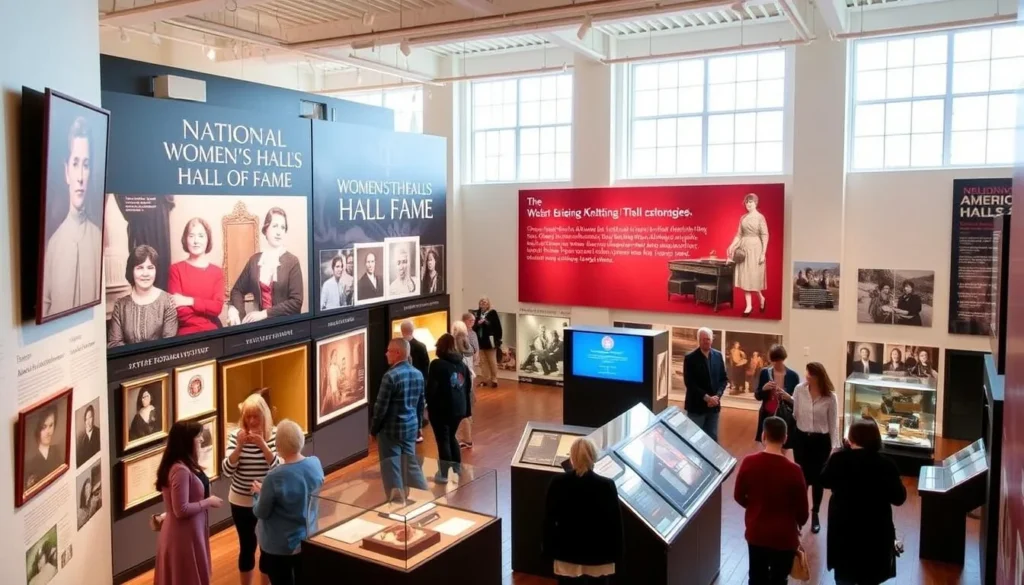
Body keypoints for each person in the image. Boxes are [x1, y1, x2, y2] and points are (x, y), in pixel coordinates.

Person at [821, 417, 907, 585]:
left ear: (851, 438)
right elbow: (899, 498)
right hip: (875, 532)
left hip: (843, 530)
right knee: (871, 576)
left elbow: (824, 480)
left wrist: (836, 453)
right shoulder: (886, 464)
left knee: (844, 577)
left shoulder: (839, 460)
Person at [734, 416, 808, 585]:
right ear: (785, 438)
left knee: (756, 576)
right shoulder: (795, 471)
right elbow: (803, 512)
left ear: (763, 436)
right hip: (784, 536)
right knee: (779, 579)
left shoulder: (749, 462)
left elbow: (738, 495)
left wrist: (754, 507)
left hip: (757, 531)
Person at [41, 116, 102, 319]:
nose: (80, 177)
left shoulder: (97, 238)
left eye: (86, 165)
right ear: (66, 171)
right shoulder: (53, 244)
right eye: (75, 164)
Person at [252, 420, 324, 585]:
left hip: (278, 546)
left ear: (279, 445)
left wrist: (258, 494)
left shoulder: (274, 477)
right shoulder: (315, 463)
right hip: (308, 538)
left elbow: (261, 512)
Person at [543, 438, 623, 585]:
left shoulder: (557, 483)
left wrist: (548, 551)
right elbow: (615, 525)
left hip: (566, 553)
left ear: (572, 457)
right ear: (593, 457)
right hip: (599, 555)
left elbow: (548, 521)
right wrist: (617, 555)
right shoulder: (606, 486)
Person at [154, 420, 223, 585]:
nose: (200, 440)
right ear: (186, 441)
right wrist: (208, 502)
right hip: (183, 537)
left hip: (190, 533)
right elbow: (181, 510)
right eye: (197, 436)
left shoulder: (183, 465)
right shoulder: (180, 471)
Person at [222, 394, 278, 585]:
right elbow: (227, 470)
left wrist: (263, 445)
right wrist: (238, 447)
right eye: (248, 417)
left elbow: (280, 470)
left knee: (266, 547)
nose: (252, 421)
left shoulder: (275, 435)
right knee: (247, 546)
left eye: (256, 416)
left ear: (265, 416)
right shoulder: (235, 436)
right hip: (240, 502)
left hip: (267, 501)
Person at [371, 338, 427, 499]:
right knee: (411, 465)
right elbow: (420, 404)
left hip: (391, 431)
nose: (386, 353)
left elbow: (380, 408)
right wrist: (418, 428)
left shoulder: (390, 376)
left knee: (391, 468)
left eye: (388, 350)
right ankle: (424, 499)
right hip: (410, 428)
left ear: (397, 353)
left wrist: (374, 430)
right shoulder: (418, 374)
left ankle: (396, 504)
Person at [227, 208, 304, 326]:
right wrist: (240, 314)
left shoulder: (292, 262)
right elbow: (237, 290)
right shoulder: (255, 261)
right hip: (260, 327)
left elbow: (296, 302)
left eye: (282, 227)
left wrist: (264, 314)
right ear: (266, 229)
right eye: (275, 226)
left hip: (286, 327)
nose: (279, 232)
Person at [792, 362, 841, 534]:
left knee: (818, 479)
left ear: (819, 376)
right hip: (802, 439)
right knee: (802, 478)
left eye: (810, 374)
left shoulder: (830, 397)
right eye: (807, 373)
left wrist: (835, 446)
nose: (807, 377)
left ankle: (815, 513)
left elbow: (833, 423)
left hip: (821, 441)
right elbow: (795, 414)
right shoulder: (799, 390)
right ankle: (800, 515)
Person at [108, 245, 179, 347]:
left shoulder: (167, 302)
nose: (145, 273)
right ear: (131, 271)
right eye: (140, 268)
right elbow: (114, 344)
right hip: (129, 362)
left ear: (156, 271)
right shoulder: (120, 306)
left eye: (150, 268)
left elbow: (168, 346)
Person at [425, 333, 471, 483]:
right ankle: (457, 467)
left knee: (443, 439)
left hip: (442, 409)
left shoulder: (437, 365)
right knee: (451, 436)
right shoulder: (462, 365)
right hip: (459, 408)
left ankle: (443, 474)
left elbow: (431, 389)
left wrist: (428, 407)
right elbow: (467, 388)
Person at [167, 218, 225, 335]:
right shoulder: (176, 269)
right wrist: (206, 309)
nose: (196, 241)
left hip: (212, 332)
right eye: (191, 236)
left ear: (208, 239)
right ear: (185, 239)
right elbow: (180, 311)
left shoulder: (217, 272)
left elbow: (217, 308)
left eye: (201, 236)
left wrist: (190, 301)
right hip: (186, 334)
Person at [726, 193, 770, 316]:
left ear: (756, 203)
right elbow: (739, 234)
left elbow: (765, 235)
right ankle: (749, 306)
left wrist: (763, 253)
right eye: (747, 202)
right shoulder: (743, 218)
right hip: (744, 249)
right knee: (745, 278)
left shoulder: (760, 218)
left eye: (751, 202)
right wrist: (732, 245)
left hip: (756, 249)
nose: (748, 204)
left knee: (753, 278)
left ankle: (761, 298)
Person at [682, 327, 728, 442]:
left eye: (708, 339)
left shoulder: (718, 356)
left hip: (714, 407)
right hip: (696, 407)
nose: (706, 341)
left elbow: (723, 379)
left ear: (712, 340)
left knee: (712, 439)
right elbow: (690, 383)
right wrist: (707, 398)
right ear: (698, 340)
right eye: (703, 339)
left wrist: (717, 397)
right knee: (695, 440)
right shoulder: (690, 358)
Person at [753, 344, 799, 443]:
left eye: (780, 360)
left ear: (783, 358)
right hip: (768, 414)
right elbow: (758, 396)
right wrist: (764, 389)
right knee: (767, 445)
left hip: (786, 415)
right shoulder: (765, 373)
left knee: (784, 446)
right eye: (774, 360)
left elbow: (797, 401)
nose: (777, 363)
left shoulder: (793, 376)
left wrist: (788, 397)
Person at [400, 320, 430, 443]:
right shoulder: (421, 346)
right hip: (418, 381)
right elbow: (426, 366)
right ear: (413, 330)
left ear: (402, 331)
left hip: (402, 382)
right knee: (418, 407)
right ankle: (418, 432)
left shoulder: (398, 346)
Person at [453, 316, 479, 449]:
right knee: (467, 409)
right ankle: (466, 438)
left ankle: (465, 438)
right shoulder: (468, 344)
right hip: (469, 378)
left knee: (461, 410)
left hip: (460, 380)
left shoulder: (456, 345)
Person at [24, 407, 62, 491]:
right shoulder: (30, 461)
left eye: (51, 425)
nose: (48, 432)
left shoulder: (57, 451)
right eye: (44, 427)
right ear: (38, 428)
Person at [473, 296, 503, 388]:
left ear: (488, 304)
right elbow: (474, 327)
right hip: (480, 341)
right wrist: (478, 323)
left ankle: (494, 380)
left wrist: (486, 322)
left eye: (485, 302)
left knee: (492, 361)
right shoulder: (477, 314)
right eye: (481, 302)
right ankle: (485, 379)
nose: (483, 303)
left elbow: (497, 327)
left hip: (490, 342)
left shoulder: (492, 313)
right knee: (483, 362)